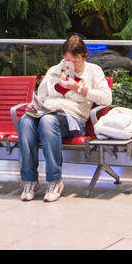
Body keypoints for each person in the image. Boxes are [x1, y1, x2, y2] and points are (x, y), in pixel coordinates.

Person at [18, 34, 111, 203]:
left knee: (48, 121)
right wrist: (34, 106)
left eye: (75, 61)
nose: (71, 65)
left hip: (73, 118)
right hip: (47, 112)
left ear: (85, 56)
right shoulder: (54, 70)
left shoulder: (93, 71)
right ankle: (29, 180)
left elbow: (107, 98)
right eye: (67, 60)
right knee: (25, 120)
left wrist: (80, 88)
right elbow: (42, 96)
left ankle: (54, 181)